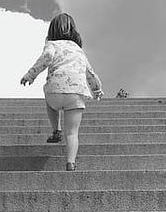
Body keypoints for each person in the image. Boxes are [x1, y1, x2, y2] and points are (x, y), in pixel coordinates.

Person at [20, 13, 104, 171]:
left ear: (52, 30)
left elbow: (45, 59)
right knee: (72, 133)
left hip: (55, 92)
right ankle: (70, 163)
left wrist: (30, 75)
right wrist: (97, 89)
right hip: (76, 94)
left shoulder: (52, 45)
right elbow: (90, 72)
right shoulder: (79, 50)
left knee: (50, 102)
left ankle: (56, 130)